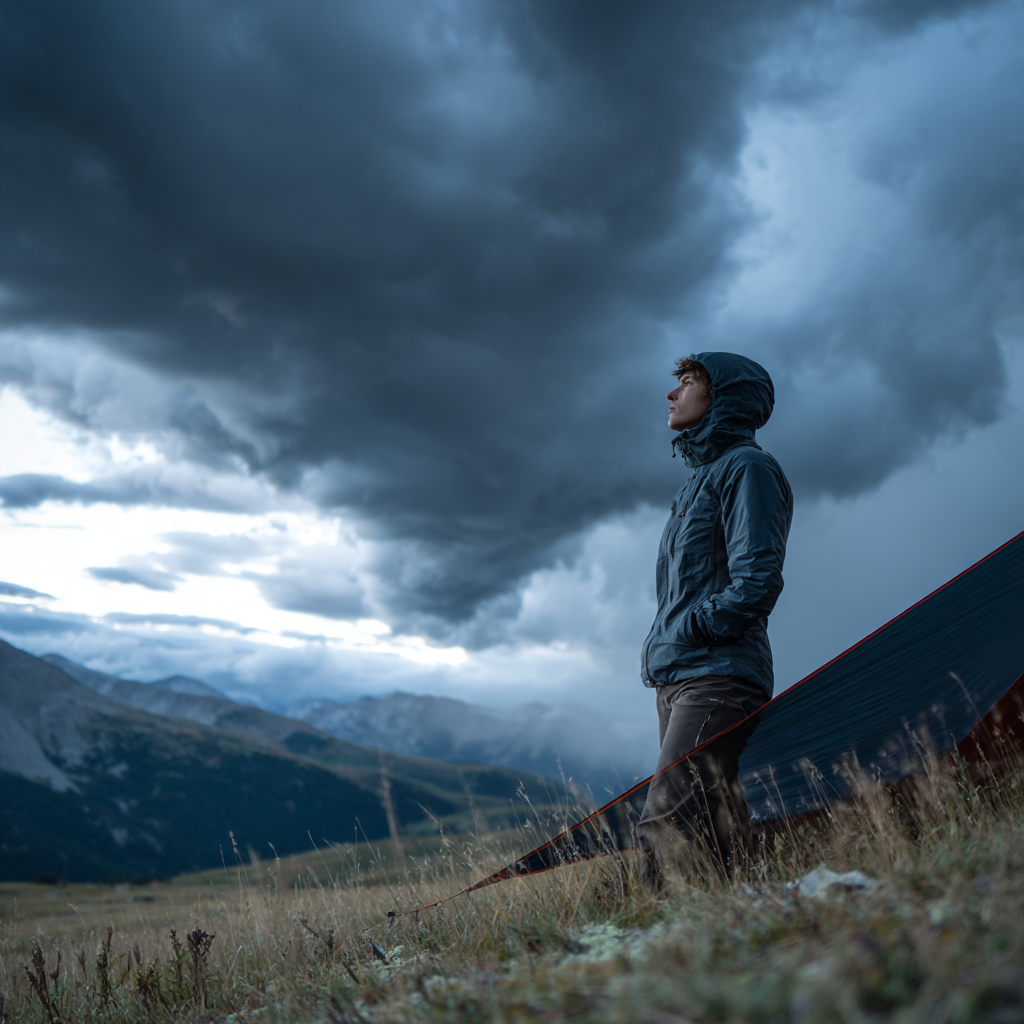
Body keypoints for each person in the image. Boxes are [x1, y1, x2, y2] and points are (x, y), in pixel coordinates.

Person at [637, 351, 793, 885]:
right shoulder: (696, 482)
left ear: (721, 397)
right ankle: (725, 932)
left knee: (665, 821)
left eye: (686, 382)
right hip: (679, 675)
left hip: (718, 675)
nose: (671, 394)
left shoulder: (748, 468)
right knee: (707, 828)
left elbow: (757, 579)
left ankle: (645, 949)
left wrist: (693, 629)